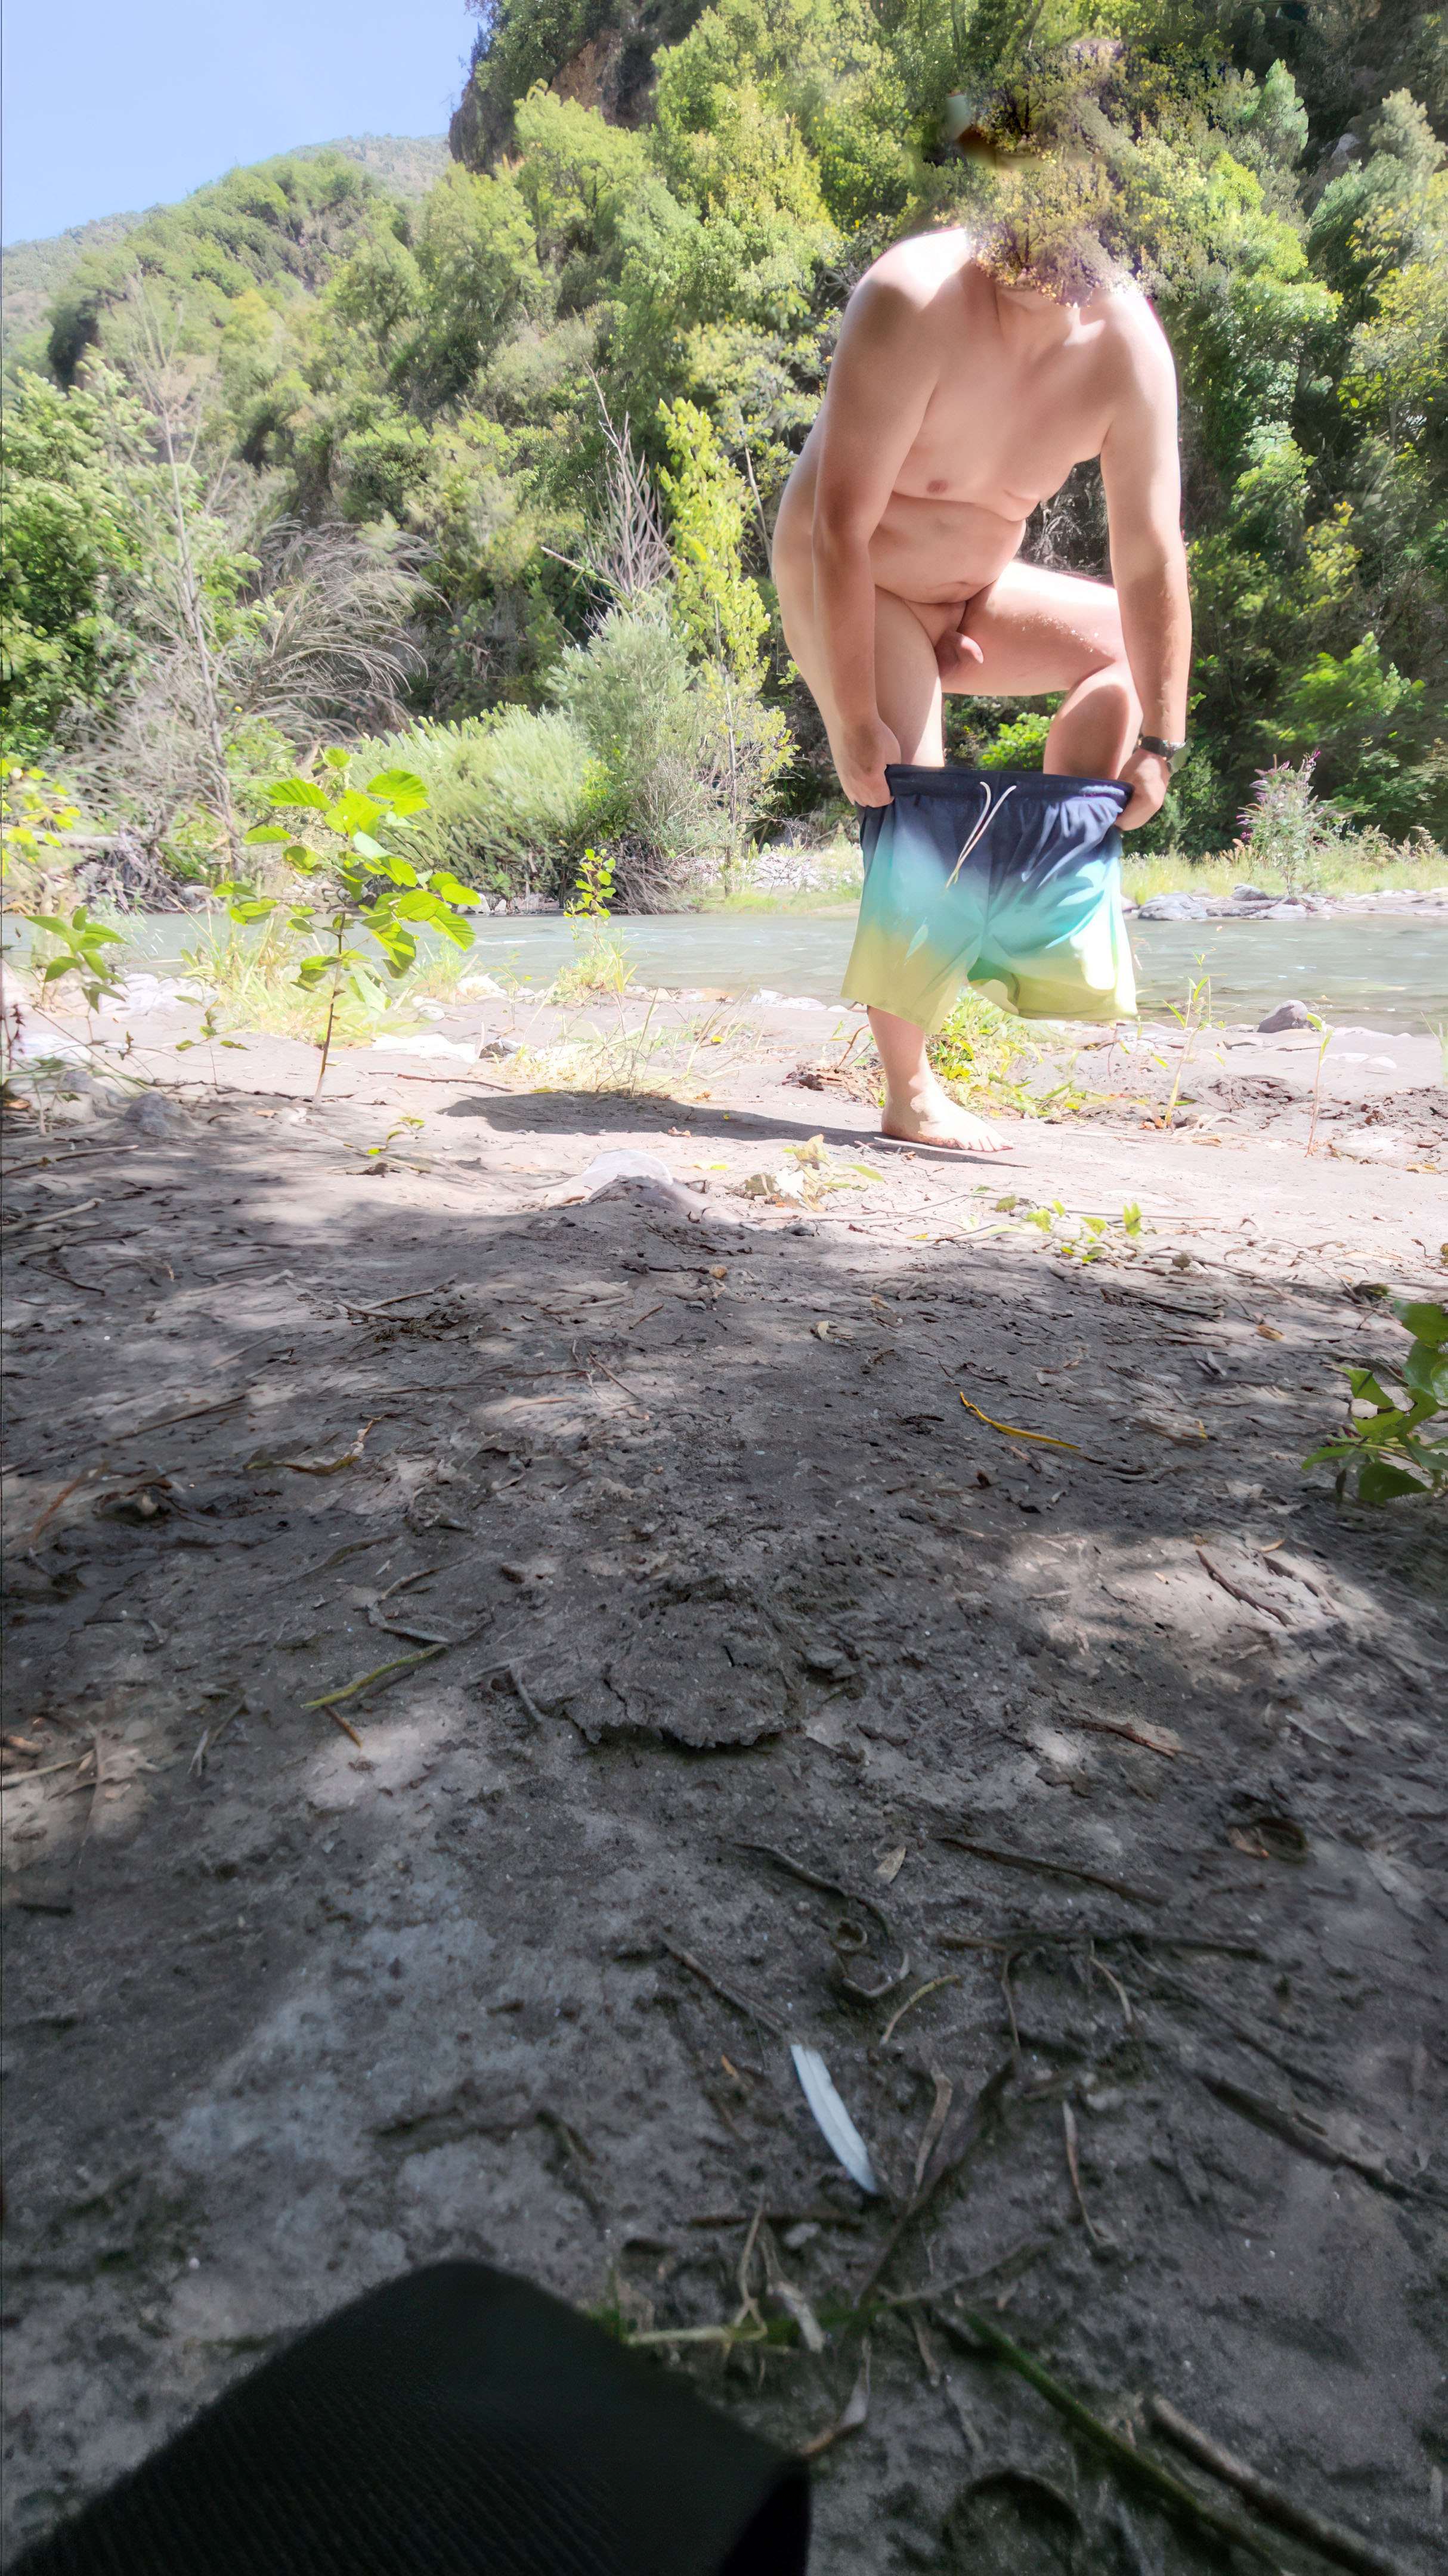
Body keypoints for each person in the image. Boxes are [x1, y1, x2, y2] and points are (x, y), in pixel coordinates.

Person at [772, 222, 1191, 1151]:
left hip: (975, 592)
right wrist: (850, 719)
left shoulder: (1129, 351)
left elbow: (1154, 555)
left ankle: (1026, 922)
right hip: (856, 580)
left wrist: (1162, 741)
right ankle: (908, 1092)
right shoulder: (912, 298)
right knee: (913, 795)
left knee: (1120, 659)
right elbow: (838, 528)